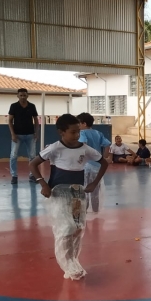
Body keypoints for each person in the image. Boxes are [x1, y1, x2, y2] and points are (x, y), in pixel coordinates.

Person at [30, 114, 108, 280]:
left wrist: (94, 183)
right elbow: (33, 164)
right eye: (73, 132)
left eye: (78, 131)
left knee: (78, 227)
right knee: (66, 228)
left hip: (77, 193)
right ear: (61, 132)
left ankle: (73, 260)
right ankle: (67, 265)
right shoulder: (55, 148)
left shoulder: (85, 149)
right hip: (58, 192)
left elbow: (104, 162)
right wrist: (42, 183)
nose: (77, 135)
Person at [77, 112, 111, 214]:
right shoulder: (98, 133)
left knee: (85, 188)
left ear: (84, 124)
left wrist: (80, 158)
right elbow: (107, 144)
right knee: (95, 188)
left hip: (87, 165)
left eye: (78, 123)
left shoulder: (82, 133)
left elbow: (83, 144)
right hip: (98, 165)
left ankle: (85, 211)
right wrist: (104, 157)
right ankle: (96, 210)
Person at [8, 88, 40, 185]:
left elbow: (36, 120)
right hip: (17, 135)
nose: (23, 97)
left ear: (27, 96)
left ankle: (32, 175)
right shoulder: (14, 106)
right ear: (18, 96)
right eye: (21, 95)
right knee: (13, 155)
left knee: (32, 156)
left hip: (30, 135)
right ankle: (14, 176)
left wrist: (36, 132)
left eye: (24, 95)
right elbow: (10, 121)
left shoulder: (32, 106)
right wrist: (13, 134)